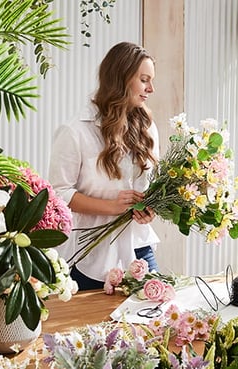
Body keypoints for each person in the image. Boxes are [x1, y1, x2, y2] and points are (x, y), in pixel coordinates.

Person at [48, 42, 160, 290]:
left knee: (154, 325)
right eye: (144, 80)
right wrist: (111, 207)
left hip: (139, 249)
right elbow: (58, 194)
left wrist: (150, 209)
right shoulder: (75, 132)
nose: (151, 88)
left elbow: (151, 188)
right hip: (90, 257)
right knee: (91, 329)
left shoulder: (148, 129)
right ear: (121, 78)